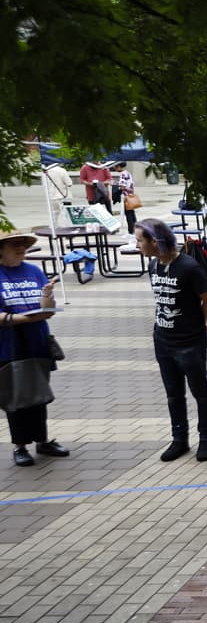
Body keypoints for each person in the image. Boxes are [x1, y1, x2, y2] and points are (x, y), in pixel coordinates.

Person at [133, 219, 207, 462]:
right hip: (162, 340)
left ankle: (206, 439)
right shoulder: (153, 265)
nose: (137, 244)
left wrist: (197, 324)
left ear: (155, 241)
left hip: (190, 341)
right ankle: (180, 438)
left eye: (140, 240)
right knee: (173, 393)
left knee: (200, 391)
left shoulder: (189, 267)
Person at [0, 231, 69, 467]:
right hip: (8, 345)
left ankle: (42, 440)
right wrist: (20, 319)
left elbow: (48, 309)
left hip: (37, 341)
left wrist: (47, 296)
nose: (21, 248)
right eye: (14, 245)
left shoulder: (34, 271)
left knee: (39, 393)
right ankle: (20, 446)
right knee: (16, 395)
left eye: (23, 245)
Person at [42, 164, 73, 229]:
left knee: (54, 214)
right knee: (66, 214)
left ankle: (53, 230)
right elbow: (69, 183)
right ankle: (67, 230)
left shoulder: (45, 172)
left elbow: (44, 185)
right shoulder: (61, 170)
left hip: (51, 196)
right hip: (63, 196)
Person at [112, 162, 138, 230]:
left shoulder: (123, 174)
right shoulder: (128, 173)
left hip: (126, 196)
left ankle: (131, 231)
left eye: (115, 167)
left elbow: (122, 186)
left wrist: (116, 187)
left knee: (128, 214)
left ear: (119, 167)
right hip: (131, 195)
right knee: (132, 213)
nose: (114, 168)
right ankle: (135, 229)